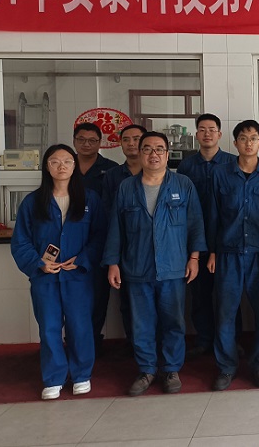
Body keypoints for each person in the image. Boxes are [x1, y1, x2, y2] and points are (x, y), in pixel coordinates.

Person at [103, 131, 206, 396]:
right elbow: (115, 228)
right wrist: (112, 263)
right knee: (141, 324)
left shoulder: (182, 184)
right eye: (147, 149)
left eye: (159, 149)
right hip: (137, 267)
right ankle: (146, 369)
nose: (153, 154)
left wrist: (194, 258)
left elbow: (195, 223)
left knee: (174, 322)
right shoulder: (126, 188)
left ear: (167, 154)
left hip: (173, 267)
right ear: (139, 153)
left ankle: (170, 369)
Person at [11, 144, 105, 400]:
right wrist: (38, 263)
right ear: (46, 166)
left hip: (78, 276)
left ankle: (81, 374)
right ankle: (53, 377)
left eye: (67, 161)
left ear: (75, 166)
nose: (61, 166)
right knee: (49, 327)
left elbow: (100, 236)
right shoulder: (33, 202)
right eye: (55, 162)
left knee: (80, 326)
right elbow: (20, 241)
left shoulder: (89, 199)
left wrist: (83, 259)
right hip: (45, 277)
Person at [206, 120, 259, 391]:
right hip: (228, 253)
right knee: (225, 313)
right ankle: (226, 367)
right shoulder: (220, 174)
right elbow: (212, 215)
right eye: (243, 138)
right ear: (235, 142)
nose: (248, 143)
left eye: (253, 138)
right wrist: (212, 252)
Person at [176, 113, 233, 360]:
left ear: (219, 134)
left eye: (212, 129)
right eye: (202, 129)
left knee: (228, 295)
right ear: (196, 134)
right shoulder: (186, 166)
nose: (207, 133)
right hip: (195, 240)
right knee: (199, 294)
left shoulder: (232, 163)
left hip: (227, 238)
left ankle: (230, 341)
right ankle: (204, 339)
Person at [95, 124, 146, 354]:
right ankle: (135, 346)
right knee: (128, 302)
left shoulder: (159, 173)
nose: (131, 143)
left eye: (137, 139)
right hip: (125, 249)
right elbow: (108, 215)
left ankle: (157, 349)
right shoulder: (113, 175)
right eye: (126, 139)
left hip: (155, 248)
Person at [73, 123, 118, 195]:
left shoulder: (112, 168)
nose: (86, 144)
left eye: (92, 140)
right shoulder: (65, 165)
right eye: (81, 139)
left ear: (99, 143)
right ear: (74, 141)